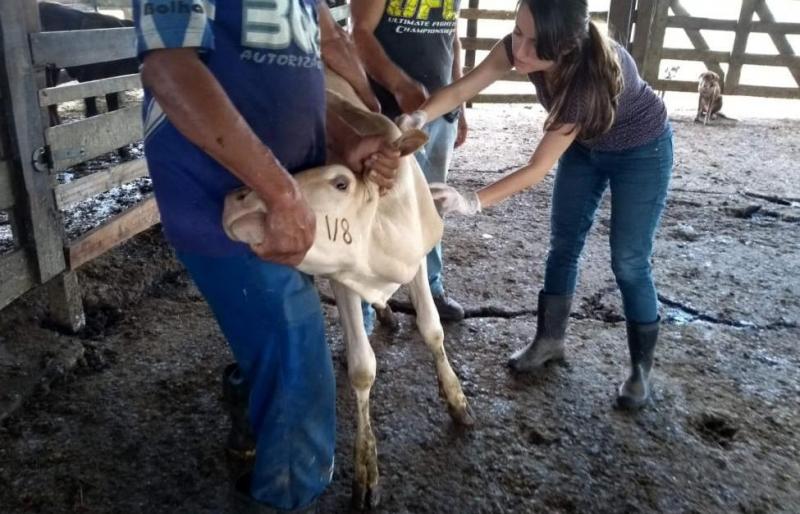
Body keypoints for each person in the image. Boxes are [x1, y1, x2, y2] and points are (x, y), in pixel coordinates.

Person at [133, 1, 400, 512]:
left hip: (282, 198)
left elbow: (296, 73)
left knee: (273, 348)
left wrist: (347, 139)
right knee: (300, 379)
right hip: (230, 209)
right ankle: (286, 495)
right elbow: (169, 68)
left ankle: (249, 412)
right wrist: (280, 195)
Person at [399, 0, 673, 410]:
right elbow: (463, 88)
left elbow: (537, 167)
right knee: (563, 244)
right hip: (584, 146)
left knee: (629, 261)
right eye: (518, 32)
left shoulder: (585, 82)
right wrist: (420, 116)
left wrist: (472, 200)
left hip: (641, 149)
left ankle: (639, 370)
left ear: (564, 47)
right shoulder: (520, 46)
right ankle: (549, 340)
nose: (519, 50)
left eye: (533, 43)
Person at [351, 0, 469, 328]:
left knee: (432, 202)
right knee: (376, 204)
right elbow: (359, 33)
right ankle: (365, 303)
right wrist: (399, 85)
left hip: (439, 107)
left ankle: (430, 289)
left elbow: (453, 35)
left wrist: (459, 105)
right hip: (390, 111)